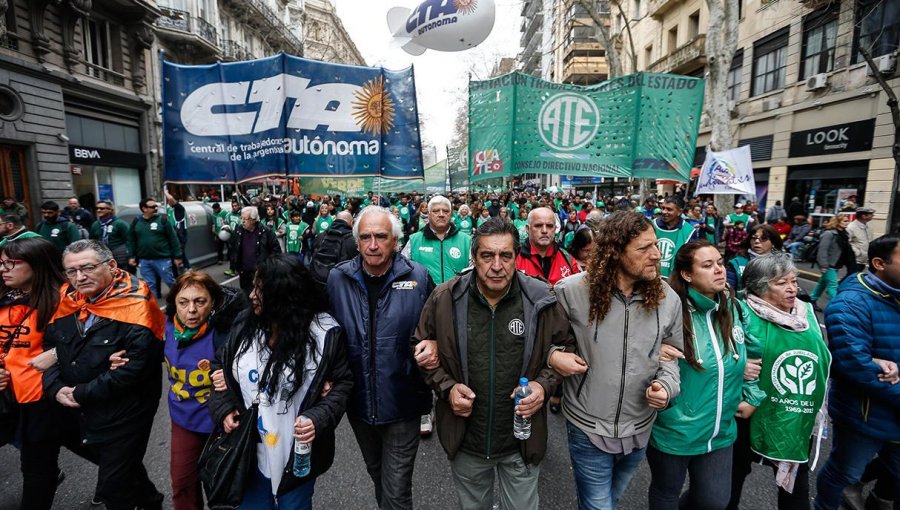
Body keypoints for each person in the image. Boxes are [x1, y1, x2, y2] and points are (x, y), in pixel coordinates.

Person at [413, 218, 575, 510]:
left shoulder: (540, 298)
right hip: (467, 441)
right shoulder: (445, 297)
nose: (496, 265)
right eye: (487, 255)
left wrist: (543, 385)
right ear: (473, 258)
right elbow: (421, 349)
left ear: (517, 258)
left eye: (506, 256)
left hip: (520, 441)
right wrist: (447, 389)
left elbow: (567, 347)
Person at [553, 211, 683, 510]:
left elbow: (671, 356)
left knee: (609, 500)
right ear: (615, 252)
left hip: (640, 427)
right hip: (588, 427)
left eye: (656, 245)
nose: (656, 255)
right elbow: (546, 344)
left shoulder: (667, 298)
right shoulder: (571, 292)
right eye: (644, 248)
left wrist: (666, 385)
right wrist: (554, 357)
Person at [208, 254, 353, 509]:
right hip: (249, 451)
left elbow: (342, 384)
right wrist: (223, 408)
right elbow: (220, 367)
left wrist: (317, 418)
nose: (252, 295)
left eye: (261, 290)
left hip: (297, 455)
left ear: (285, 295)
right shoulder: (244, 324)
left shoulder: (325, 334)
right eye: (253, 287)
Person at [44, 240, 166, 510]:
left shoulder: (136, 304)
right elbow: (50, 349)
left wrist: (79, 393)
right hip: (81, 412)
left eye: (87, 268)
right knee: (120, 467)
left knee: (113, 489)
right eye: (71, 271)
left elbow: (136, 367)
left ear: (111, 265)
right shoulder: (67, 299)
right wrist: (55, 388)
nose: (79, 277)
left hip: (125, 412)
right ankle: (150, 500)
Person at [326, 206, 434, 510]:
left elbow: (440, 327)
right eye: (366, 237)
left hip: (403, 402)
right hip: (358, 404)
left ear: (395, 241)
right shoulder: (338, 279)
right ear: (357, 241)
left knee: (397, 490)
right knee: (379, 477)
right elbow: (324, 333)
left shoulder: (419, 278)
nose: (373, 245)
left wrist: (434, 344)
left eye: (381, 237)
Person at [648, 240, 752, 510]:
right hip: (675, 431)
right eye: (708, 265)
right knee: (666, 494)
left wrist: (752, 395)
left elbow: (753, 356)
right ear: (687, 274)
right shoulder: (667, 310)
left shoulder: (733, 307)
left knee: (714, 502)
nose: (719, 270)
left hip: (721, 431)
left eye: (720, 263)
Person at [728, 253, 831, 510]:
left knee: (796, 485)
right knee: (730, 479)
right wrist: (738, 367)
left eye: (794, 281)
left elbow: (825, 355)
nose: (792, 289)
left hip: (795, 411)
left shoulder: (805, 313)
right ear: (759, 286)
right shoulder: (739, 312)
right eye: (781, 283)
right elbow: (718, 358)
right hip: (748, 413)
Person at [0, 238, 95, 509]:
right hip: (12, 401)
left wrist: (55, 355)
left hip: (49, 399)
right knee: (38, 467)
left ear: (37, 266)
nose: (3, 269)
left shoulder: (64, 299)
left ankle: (139, 493)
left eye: (11, 263)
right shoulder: (5, 298)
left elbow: (91, 340)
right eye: (1, 263)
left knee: (41, 469)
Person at [815, 236, 900, 510]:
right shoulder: (850, 304)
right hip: (864, 415)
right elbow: (855, 365)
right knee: (844, 472)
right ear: (879, 264)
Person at [162, 271, 245, 510]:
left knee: (223, 489)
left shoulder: (227, 332)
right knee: (182, 485)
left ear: (213, 302)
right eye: (183, 302)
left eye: (200, 301)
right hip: (183, 420)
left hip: (222, 422)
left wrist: (230, 378)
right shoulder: (165, 326)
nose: (191, 310)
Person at [402, 195, 471, 286]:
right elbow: (402, 270)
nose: (441, 214)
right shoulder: (414, 241)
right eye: (436, 211)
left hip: (457, 297)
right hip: (425, 298)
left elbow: (473, 271)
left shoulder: (466, 240)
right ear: (429, 214)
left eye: (445, 211)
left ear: (451, 214)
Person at [128, 197, 183, 299]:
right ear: (144, 209)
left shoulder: (163, 220)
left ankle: (180, 300)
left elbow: (173, 239)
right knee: (149, 285)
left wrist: (177, 256)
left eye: (156, 206)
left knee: (170, 281)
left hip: (163, 259)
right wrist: (131, 256)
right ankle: (154, 308)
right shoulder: (136, 221)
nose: (156, 208)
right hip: (144, 260)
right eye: (153, 206)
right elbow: (131, 239)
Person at [516, 207, 579, 286]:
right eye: (538, 225)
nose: (544, 230)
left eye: (549, 226)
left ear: (555, 229)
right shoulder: (515, 260)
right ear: (528, 229)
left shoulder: (568, 259)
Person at [228, 206, 281, 294]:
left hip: (262, 275)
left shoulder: (266, 232)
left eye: (246, 219)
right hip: (244, 275)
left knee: (261, 299)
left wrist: (269, 269)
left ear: (254, 219)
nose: (243, 221)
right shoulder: (238, 230)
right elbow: (233, 247)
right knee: (247, 300)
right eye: (242, 218)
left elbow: (276, 253)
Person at [809, 213, 852, 311]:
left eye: (847, 221)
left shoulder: (844, 234)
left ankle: (812, 299)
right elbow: (822, 250)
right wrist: (823, 265)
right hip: (828, 264)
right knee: (833, 285)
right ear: (837, 222)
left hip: (836, 263)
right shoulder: (829, 234)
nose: (847, 223)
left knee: (823, 283)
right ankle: (837, 307)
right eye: (845, 221)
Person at [727, 224, 784, 292]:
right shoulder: (737, 263)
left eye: (763, 238)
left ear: (773, 243)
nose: (757, 241)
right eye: (754, 238)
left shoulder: (783, 264)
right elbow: (728, 293)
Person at [653, 196, 699, 279]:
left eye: (669, 209)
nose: (664, 212)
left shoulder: (689, 231)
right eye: (663, 208)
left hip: (675, 280)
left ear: (679, 212)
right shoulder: (651, 226)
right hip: (651, 278)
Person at [310, 210, 357, 288]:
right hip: (341, 286)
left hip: (318, 282)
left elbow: (313, 252)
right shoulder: (353, 240)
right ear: (352, 223)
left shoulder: (320, 236)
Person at [89, 200, 132, 274]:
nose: (99, 210)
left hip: (120, 257)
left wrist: (131, 256)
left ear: (110, 210)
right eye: (97, 208)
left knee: (122, 276)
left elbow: (129, 240)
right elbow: (92, 242)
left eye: (102, 208)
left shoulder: (120, 224)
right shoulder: (95, 225)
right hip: (103, 257)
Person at [846, 207, 875, 274]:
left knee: (859, 278)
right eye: (871, 214)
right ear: (863, 216)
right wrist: (857, 252)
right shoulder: (851, 227)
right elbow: (846, 243)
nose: (873, 216)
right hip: (856, 259)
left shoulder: (868, 227)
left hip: (865, 259)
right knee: (852, 277)